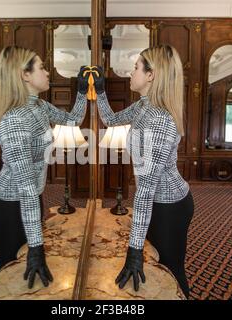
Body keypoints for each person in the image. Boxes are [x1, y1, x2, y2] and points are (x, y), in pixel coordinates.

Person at [93, 44, 195, 298]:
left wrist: (134, 249)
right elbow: (111, 120)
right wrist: (101, 90)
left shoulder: (159, 118)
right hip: (156, 201)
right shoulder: (143, 106)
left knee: (171, 272)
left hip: (169, 206)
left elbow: (146, 190)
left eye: (136, 67)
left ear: (151, 75)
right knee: (157, 268)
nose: (131, 72)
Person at [0, 46, 89, 288]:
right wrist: (36, 247)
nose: (47, 73)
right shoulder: (15, 119)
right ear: (24, 75)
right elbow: (25, 188)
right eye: (42, 67)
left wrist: (83, 92)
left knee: (26, 269)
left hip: (32, 195)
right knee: (9, 267)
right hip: (9, 203)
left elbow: (73, 120)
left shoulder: (39, 106)